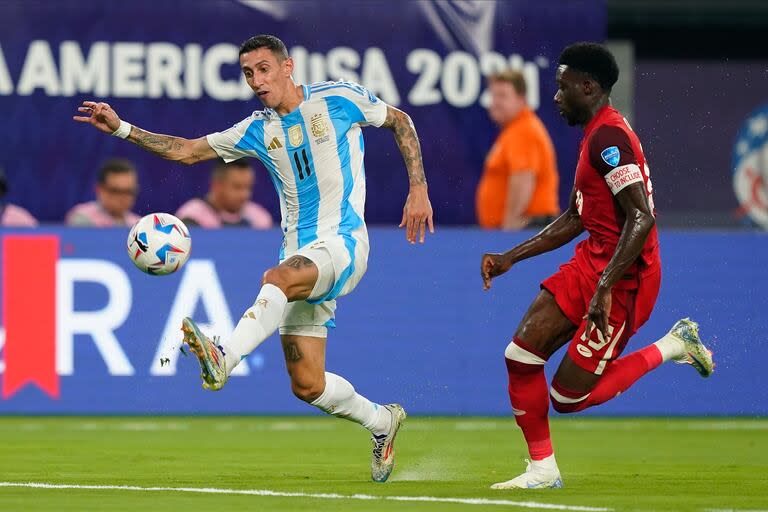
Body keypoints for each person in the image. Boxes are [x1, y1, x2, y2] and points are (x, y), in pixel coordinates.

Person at [74, 34, 433, 483]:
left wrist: (417, 188)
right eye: (248, 73)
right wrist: (124, 128)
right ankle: (383, 421)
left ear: (288, 67)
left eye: (264, 69)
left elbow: (400, 121)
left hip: (344, 243)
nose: (256, 81)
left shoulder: (338, 98)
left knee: (277, 279)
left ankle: (224, 357)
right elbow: (187, 150)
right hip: (300, 253)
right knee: (308, 384)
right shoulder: (258, 129)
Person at [480, 43, 714, 489]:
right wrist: (512, 256)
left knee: (568, 397)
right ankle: (542, 470)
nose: (555, 96)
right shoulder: (594, 134)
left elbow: (641, 218)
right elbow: (575, 216)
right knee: (521, 355)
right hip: (595, 262)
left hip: (627, 278)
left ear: (588, 87)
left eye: (562, 87)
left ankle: (675, 344)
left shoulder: (609, 138)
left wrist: (606, 286)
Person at [476, 69, 560, 230]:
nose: (495, 102)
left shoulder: (523, 130)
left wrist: (509, 229)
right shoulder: (514, 130)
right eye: (493, 96)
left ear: (521, 100)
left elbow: (523, 177)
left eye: (502, 96)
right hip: (527, 230)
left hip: (527, 230)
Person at [176, 158, 273, 228]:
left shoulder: (260, 219)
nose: (245, 195)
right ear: (217, 186)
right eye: (237, 187)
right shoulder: (192, 217)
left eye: (248, 187)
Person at [66, 158, 141, 227]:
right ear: (99, 189)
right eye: (116, 191)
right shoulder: (83, 218)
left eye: (129, 191)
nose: (123, 197)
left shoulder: (138, 224)